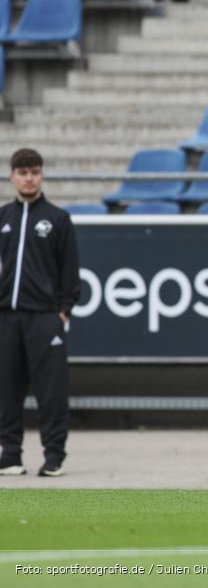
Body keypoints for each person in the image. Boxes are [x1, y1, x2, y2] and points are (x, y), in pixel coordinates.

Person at [0, 148, 80, 477]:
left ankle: (53, 455)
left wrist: (63, 310)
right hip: (7, 317)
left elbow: (69, 270)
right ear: (12, 176)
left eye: (34, 171)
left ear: (42, 174)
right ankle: (10, 454)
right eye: (22, 172)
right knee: (7, 389)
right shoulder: (3, 218)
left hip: (45, 317)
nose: (29, 178)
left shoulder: (58, 219)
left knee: (51, 391)